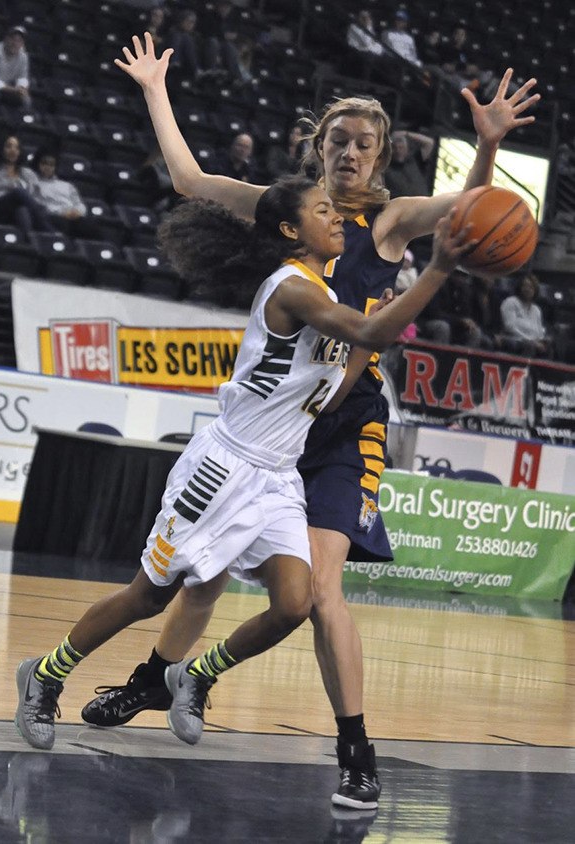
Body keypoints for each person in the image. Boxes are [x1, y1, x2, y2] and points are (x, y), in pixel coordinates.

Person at [89, 33, 539, 811]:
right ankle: (152, 684)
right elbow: (191, 178)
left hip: (343, 428)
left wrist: (487, 145)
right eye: (338, 139)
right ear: (318, 146)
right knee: (203, 575)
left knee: (320, 592)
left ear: (384, 154)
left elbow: (472, 215)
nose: (351, 151)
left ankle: (355, 751)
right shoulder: (288, 212)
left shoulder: (393, 221)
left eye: (366, 142)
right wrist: (156, 89)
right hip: (268, 425)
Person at [15, 175, 474, 764]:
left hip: (279, 477)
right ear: (290, 230)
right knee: (148, 598)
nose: (338, 219)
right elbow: (365, 329)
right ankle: (46, 674)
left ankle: (197, 674)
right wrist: (436, 269)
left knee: (293, 604)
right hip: (224, 467)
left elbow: (332, 397)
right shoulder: (291, 287)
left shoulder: (326, 297)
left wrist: (366, 346)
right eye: (323, 211)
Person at [0, 134, 56, 238]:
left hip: (25, 211)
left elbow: (37, 195)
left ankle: (28, 241)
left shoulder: (28, 173)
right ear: (1, 149)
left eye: (17, 148)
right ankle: (50, 232)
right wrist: (4, 194)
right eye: (9, 146)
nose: (13, 150)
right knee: (18, 192)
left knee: (22, 209)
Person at [30, 148, 103, 241]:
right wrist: (62, 213)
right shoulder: (34, 184)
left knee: (92, 225)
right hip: (54, 217)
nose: (48, 167)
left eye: (51, 164)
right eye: (44, 163)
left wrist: (77, 212)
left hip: (74, 217)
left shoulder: (67, 185)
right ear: (38, 164)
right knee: (62, 224)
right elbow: (39, 206)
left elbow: (79, 204)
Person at [499, 272, 552, 358]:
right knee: (529, 346)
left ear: (535, 290)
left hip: (533, 342)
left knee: (549, 347)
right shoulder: (511, 302)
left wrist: (543, 341)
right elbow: (509, 327)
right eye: (525, 286)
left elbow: (539, 333)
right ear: (520, 287)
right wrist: (531, 342)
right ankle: (524, 370)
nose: (528, 289)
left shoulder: (536, 310)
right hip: (513, 339)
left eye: (531, 287)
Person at [384, 130, 435, 199]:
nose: (398, 151)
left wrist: (406, 134)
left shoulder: (415, 159)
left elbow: (429, 142)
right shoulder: (385, 168)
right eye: (394, 148)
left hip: (425, 205)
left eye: (401, 147)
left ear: (406, 148)